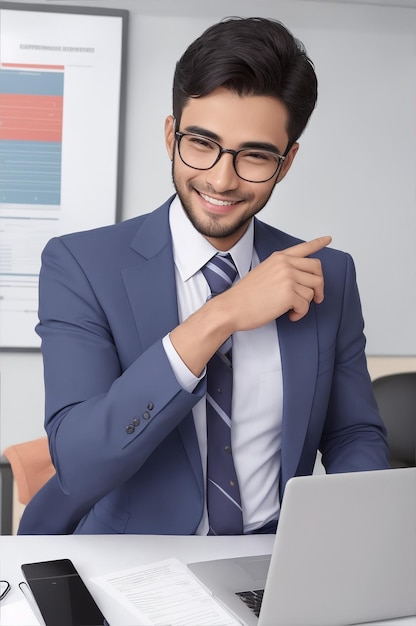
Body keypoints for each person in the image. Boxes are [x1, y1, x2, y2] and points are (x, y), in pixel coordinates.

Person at [19, 16, 389, 535]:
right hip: (132, 561)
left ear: (285, 163)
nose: (221, 178)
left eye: (255, 156)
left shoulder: (328, 275)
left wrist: (351, 537)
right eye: (201, 143)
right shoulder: (80, 266)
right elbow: (80, 463)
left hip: (270, 564)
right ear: (172, 135)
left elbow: (352, 434)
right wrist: (222, 315)